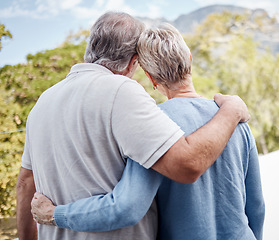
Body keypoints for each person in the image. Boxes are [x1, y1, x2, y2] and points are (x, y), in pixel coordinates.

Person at [17, 12, 250, 240]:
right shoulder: (122, 92)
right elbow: (188, 166)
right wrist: (231, 110)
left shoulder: (41, 103)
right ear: (133, 62)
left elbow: (25, 183)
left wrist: (50, 216)